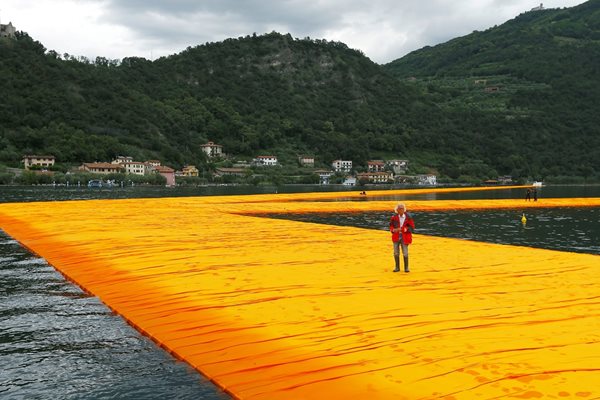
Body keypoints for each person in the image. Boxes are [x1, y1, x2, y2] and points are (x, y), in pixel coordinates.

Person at [389, 203, 415, 273]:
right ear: (397, 210)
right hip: (396, 236)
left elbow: (412, 227)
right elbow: (391, 226)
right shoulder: (394, 217)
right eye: (400, 208)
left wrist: (404, 229)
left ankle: (406, 268)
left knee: (405, 253)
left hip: (405, 237)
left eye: (402, 208)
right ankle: (397, 267)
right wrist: (393, 230)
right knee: (396, 253)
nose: (401, 210)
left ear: (404, 209)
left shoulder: (408, 217)